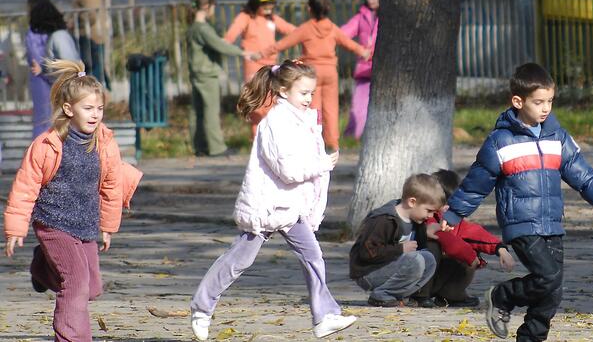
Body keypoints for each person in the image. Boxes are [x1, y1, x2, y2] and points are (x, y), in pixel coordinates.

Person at [441, 62, 593, 341]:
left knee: (553, 290)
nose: (545, 108)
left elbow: (581, 172)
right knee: (548, 277)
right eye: (539, 102)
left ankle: (530, 337)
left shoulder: (557, 136)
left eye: (550, 101)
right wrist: (455, 212)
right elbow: (477, 182)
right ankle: (502, 296)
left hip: (552, 223)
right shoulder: (501, 141)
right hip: (521, 224)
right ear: (518, 101)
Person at [190, 59, 356, 340]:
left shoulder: (302, 121)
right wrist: (322, 164)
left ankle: (324, 316)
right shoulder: (275, 123)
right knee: (238, 260)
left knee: (313, 256)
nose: (308, 98)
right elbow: (288, 170)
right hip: (266, 207)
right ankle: (202, 308)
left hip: (290, 208)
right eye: (303, 93)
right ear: (282, 90)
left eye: (311, 93)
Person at [3, 59, 142, 341]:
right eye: (88, 108)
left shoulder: (105, 142)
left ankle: (42, 267)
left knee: (92, 288)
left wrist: (108, 226)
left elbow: (112, 187)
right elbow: (26, 185)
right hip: (53, 222)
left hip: (86, 224)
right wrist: (16, 229)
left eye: (99, 108)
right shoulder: (47, 144)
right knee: (76, 285)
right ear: (69, 109)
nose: (95, 115)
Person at [259, 0, 370, 152]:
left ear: (309, 9)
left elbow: (282, 44)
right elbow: (349, 43)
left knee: (313, 109)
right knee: (331, 110)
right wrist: (364, 52)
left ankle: (314, 143)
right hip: (331, 73)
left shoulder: (306, 29)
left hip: (311, 75)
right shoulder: (332, 28)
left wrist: (261, 54)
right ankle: (333, 144)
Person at [411, 169, 515, 308]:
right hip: (416, 278)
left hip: (439, 275)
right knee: (433, 246)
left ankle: (450, 294)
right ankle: (421, 296)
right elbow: (446, 239)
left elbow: (476, 233)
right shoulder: (426, 219)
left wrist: (500, 249)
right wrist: (470, 256)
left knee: (468, 251)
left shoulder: (454, 220)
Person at [349, 173, 446, 308]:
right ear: (412, 202)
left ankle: (398, 295)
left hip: (392, 267)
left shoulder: (416, 220)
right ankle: (382, 295)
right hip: (369, 272)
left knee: (428, 259)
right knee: (415, 259)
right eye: (428, 211)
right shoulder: (384, 220)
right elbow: (366, 252)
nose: (430, 216)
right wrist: (400, 249)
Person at [187, 0, 254, 157]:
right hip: (207, 75)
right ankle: (216, 148)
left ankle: (200, 146)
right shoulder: (203, 29)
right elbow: (219, 45)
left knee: (197, 112)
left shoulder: (193, 28)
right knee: (211, 111)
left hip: (196, 73)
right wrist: (242, 52)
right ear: (208, 6)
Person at [224, 0, 296, 137]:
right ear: (257, 2)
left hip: (271, 67)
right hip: (253, 66)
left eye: (272, 3)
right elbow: (229, 37)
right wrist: (224, 47)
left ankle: (271, 140)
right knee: (257, 104)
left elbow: (294, 31)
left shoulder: (273, 19)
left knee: (272, 102)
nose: (270, 7)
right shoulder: (245, 17)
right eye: (266, 3)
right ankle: (257, 141)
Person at [26, 0, 80, 138]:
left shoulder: (58, 37)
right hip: (58, 87)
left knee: (48, 121)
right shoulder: (56, 36)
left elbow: (70, 65)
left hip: (62, 89)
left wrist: (42, 69)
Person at [340, 0, 379, 140]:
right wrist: (358, 49)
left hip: (384, 70)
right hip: (364, 69)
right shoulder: (361, 16)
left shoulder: (391, 19)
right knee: (358, 108)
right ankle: (352, 138)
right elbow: (342, 34)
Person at [66, 0, 109, 88]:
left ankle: (100, 96)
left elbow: (91, 15)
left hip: (92, 37)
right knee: (94, 69)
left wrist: (74, 22)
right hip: (88, 36)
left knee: (94, 70)